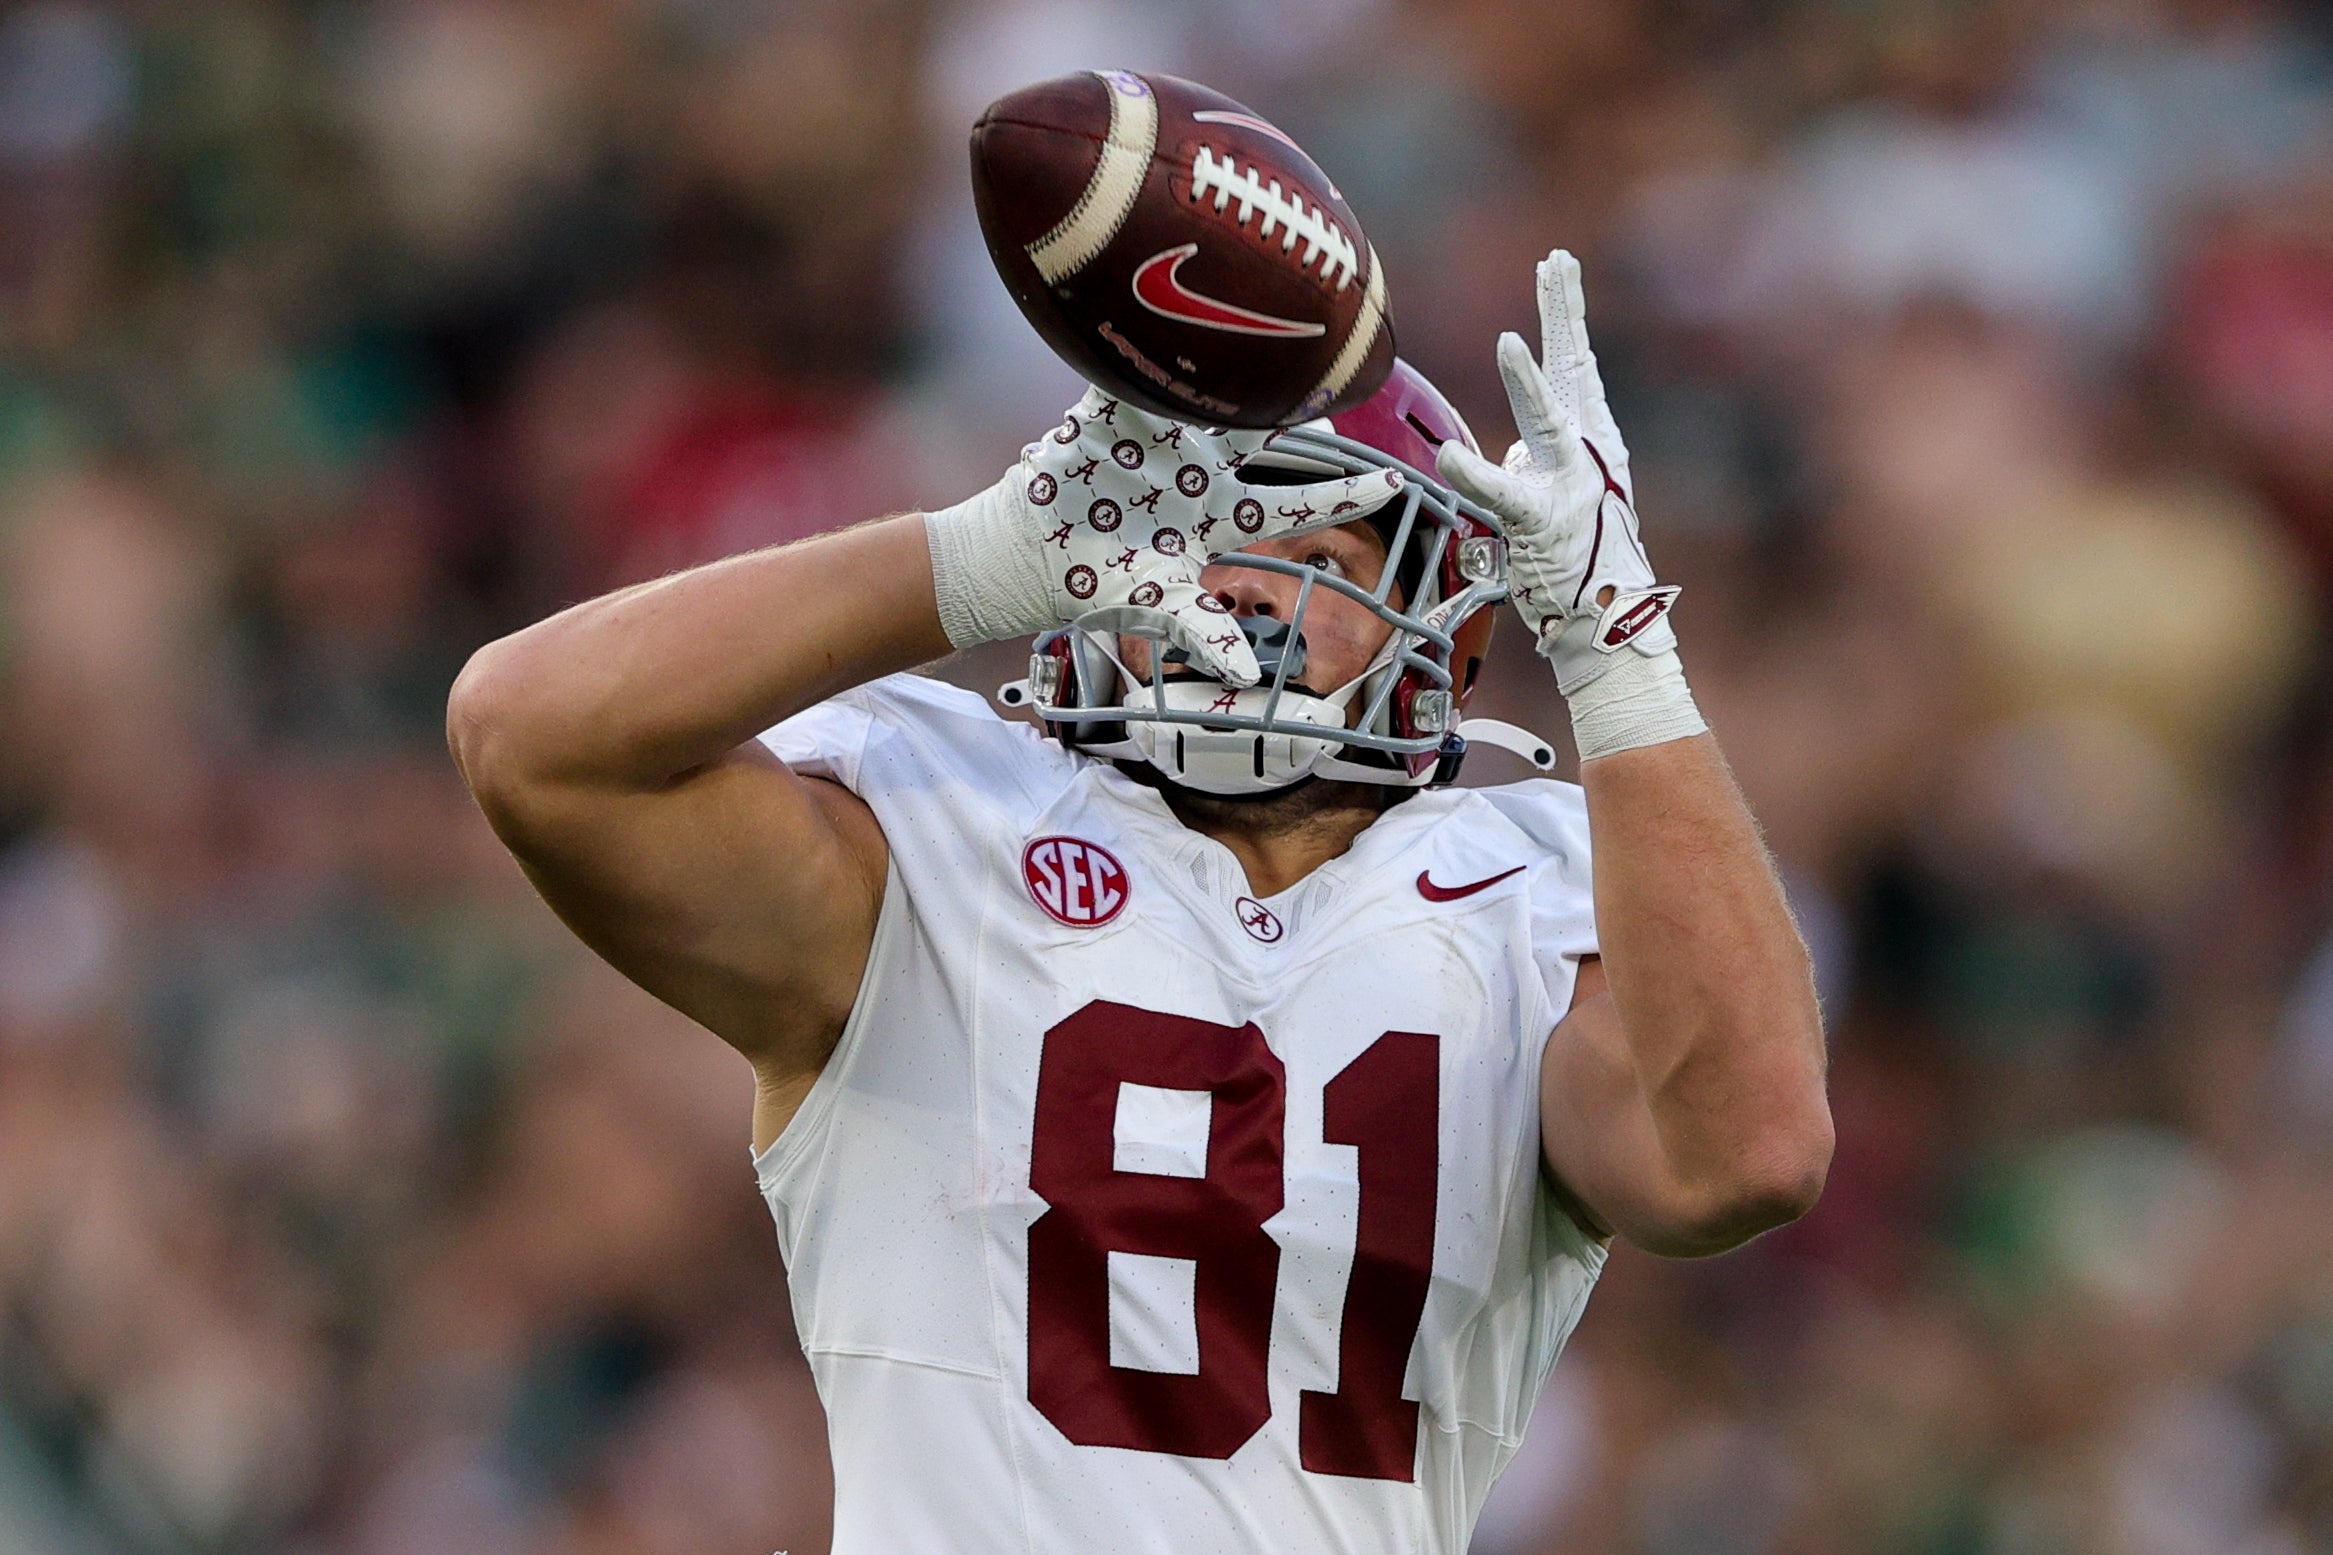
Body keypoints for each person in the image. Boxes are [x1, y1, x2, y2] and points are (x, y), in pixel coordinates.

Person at [447, 251, 1832, 1554]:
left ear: (1446, 626)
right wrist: (964, 558)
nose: (1236, 578)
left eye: (1315, 549)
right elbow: (531, 738)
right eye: (1194, 524)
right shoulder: (938, 821)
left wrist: (1619, 656)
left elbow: (1748, 1154)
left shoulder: (1526, 895)